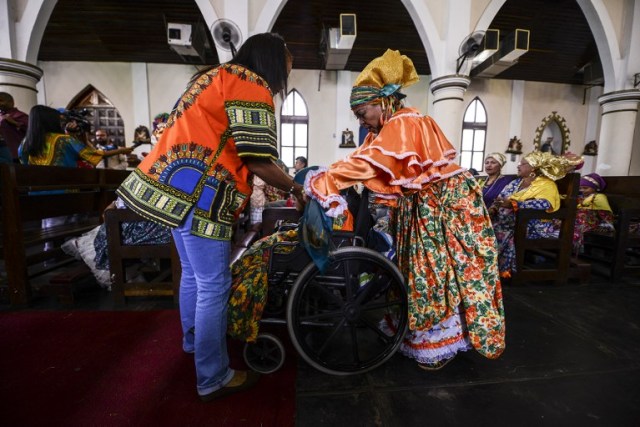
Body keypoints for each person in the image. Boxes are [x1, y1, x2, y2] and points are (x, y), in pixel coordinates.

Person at [115, 32, 303, 402]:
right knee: (214, 285)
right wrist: (297, 189)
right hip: (205, 196)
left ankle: (194, 345)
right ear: (271, 60)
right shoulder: (251, 84)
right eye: (287, 66)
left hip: (175, 188)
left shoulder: (209, 78)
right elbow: (257, 159)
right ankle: (213, 376)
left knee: (195, 278)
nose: (286, 76)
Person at [303, 49, 505, 370]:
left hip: (441, 204)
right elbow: (364, 159)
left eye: (362, 111)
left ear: (383, 102)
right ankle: (419, 330)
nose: (360, 120)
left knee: (437, 266)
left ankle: (440, 340)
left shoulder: (408, 121)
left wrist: (328, 180)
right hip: (421, 204)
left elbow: (371, 162)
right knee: (415, 266)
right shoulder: (385, 128)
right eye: (356, 114)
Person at [489, 151, 582, 278]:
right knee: (486, 226)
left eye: (522, 164)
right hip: (511, 220)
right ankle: (488, 265)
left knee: (499, 229)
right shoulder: (516, 182)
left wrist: (514, 205)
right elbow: (500, 198)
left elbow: (545, 203)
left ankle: (493, 268)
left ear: (533, 167)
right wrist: (493, 209)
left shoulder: (546, 184)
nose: (518, 166)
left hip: (533, 224)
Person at [19, 105, 132, 167]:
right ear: (51, 121)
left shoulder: (25, 143)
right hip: (63, 190)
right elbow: (92, 155)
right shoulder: (64, 140)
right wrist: (122, 150)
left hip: (35, 192)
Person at [573, 173, 614, 253]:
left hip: (593, 222)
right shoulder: (580, 197)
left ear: (594, 188)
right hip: (581, 220)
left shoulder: (599, 197)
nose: (582, 190)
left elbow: (604, 213)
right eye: (580, 188)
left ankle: (573, 249)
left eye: (585, 188)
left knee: (574, 226)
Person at [0, 92, 29, 163]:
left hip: (16, 154)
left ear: (10, 102)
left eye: (1, 101)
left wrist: (15, 123)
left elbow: (32, 132)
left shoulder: (21, 115)